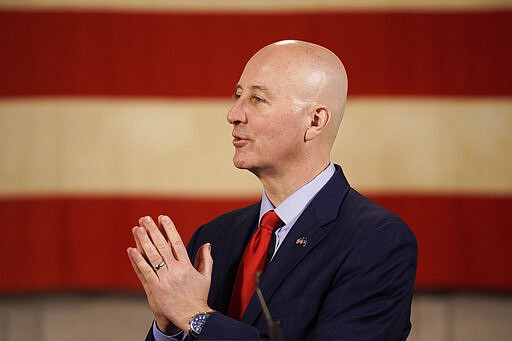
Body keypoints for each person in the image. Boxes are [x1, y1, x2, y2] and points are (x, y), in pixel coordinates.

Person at [127, 40, 417, 340]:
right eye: (238, 95)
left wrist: (196, 316)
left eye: (257, 99)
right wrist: (169, 328)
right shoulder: (213, 237)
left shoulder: (377, 241)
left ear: (314, 121)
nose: (234, 113)